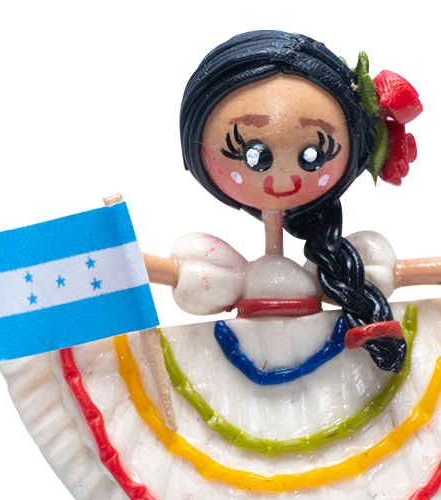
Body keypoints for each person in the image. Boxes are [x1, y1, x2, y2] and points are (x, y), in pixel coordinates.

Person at [178, 30, 420, 373]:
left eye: (313, 155)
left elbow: (388, 273)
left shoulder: (362, 262)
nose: (281, 181)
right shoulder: (210, 266)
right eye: (253, 155)